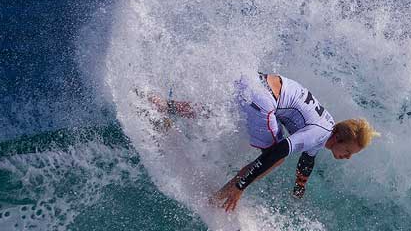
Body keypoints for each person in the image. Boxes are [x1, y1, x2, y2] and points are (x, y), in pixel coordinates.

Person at [152, 72, 377, 212]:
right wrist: (242, 186)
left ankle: (163, 105)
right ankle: (220, 197)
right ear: (338, 138)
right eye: (348, 151)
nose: (347, 157)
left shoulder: (326, 127)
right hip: (263, 99)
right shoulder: (320, 132)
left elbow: (307, 160)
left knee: (220, 113)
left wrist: (300, 186)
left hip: (253, 82)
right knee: (275, 156)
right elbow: (277, 152)